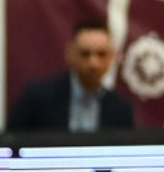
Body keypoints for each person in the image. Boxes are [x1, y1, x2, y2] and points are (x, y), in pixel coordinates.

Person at [8, 19, 137, 133]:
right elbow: (10, 144)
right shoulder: (37, 99)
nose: (94, 63)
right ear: (70, 54)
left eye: (101, 54)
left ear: (112, 57)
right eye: (85, 54)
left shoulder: (120, 109)